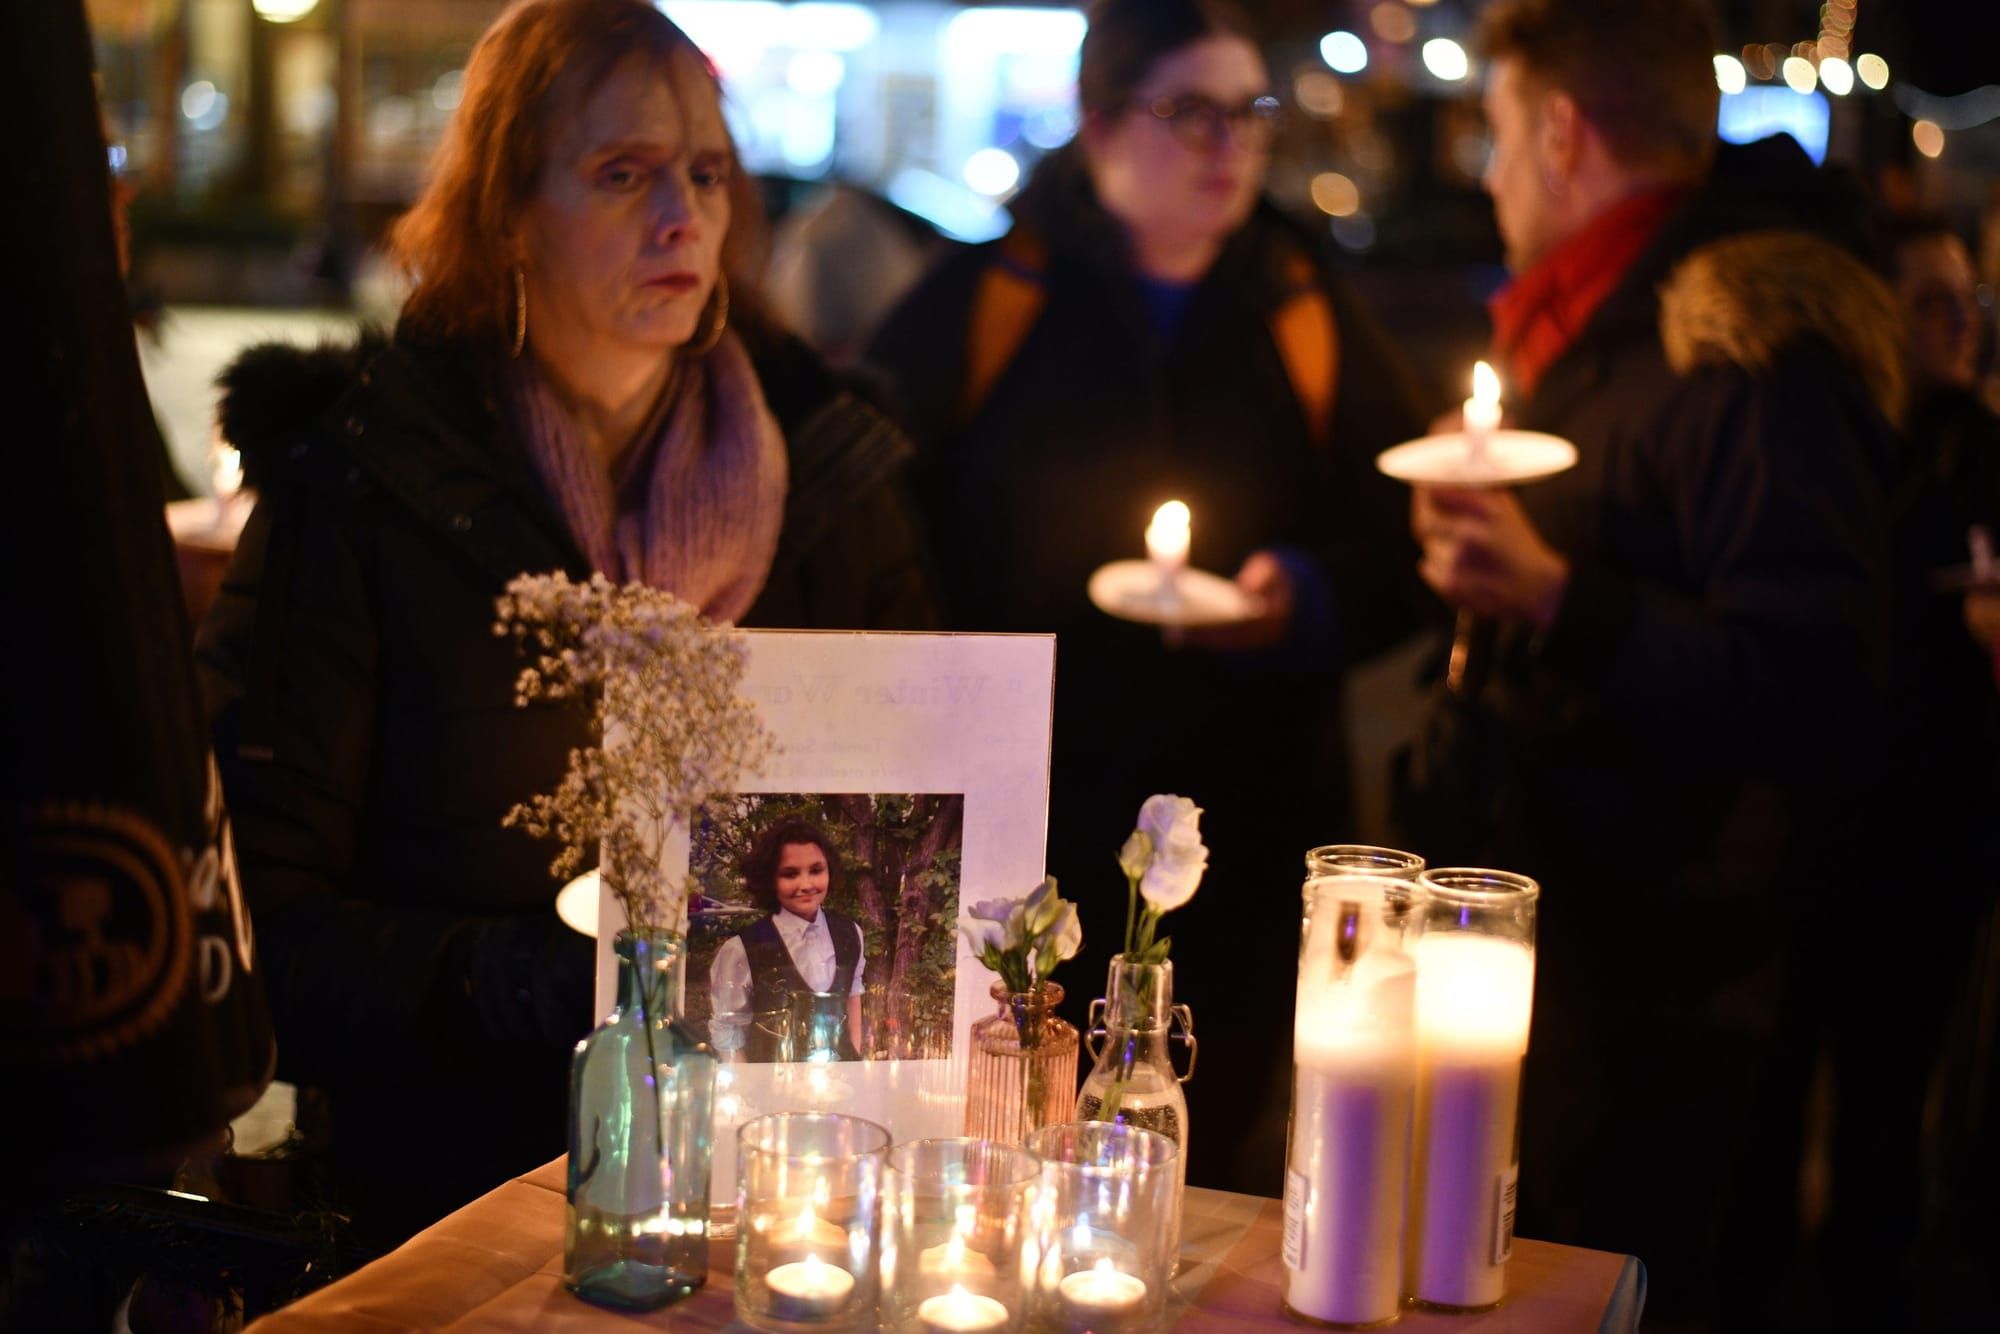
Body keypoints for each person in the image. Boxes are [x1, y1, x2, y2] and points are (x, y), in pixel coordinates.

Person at [196, 0, 933, 1251]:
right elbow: (255, 934)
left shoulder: (833, 480)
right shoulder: (362, 494)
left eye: (704, 173)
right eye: (621, 171)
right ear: (507, 215)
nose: (680, 216)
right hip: (449, 1205)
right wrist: (516, 978)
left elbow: (921, 832)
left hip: (788, 1203)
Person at [867, 0, 1428, 1196]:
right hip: (1034, 829)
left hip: (1247, 813)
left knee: (1203, 1163)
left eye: (1246, 113)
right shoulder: (993, 296)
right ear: (1097, 121)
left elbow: (1403, 534)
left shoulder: (1298, 298)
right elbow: (878, 529)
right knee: (1012, 1153)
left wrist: (1309, 596)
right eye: (1188, 112)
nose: (1227, 146)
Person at [1398, 0, 1896, 1321]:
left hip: (1673, 981)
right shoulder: (1585, 322)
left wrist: (1561, 592)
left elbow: (1820, 686)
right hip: (1550, 939)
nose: (1487, 171)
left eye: (1499, 134)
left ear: (1563, 132)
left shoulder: (1742, 346)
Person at [708, 820, 866, 1061]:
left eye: (816, 870)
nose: (806, 885)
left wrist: (854, 1061)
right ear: (770, 879)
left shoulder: (851, 933)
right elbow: (729, 1030)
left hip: (842, 1089)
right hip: (774, 1090)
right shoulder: (742, 950)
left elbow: (852, 998)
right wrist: (745, 1090)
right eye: (790, 874)